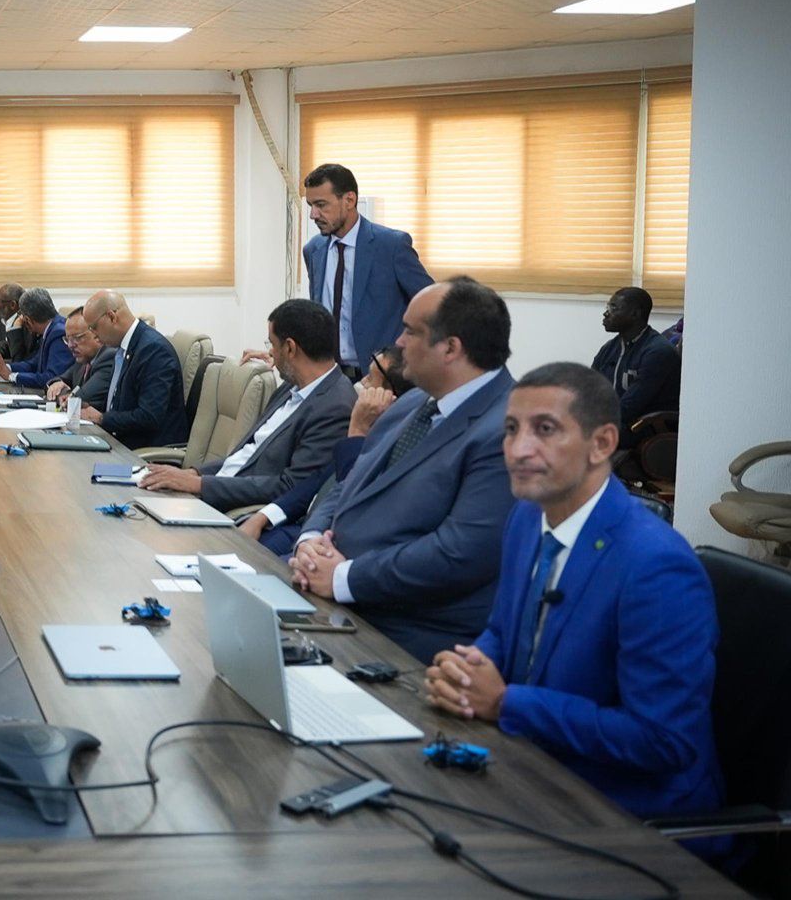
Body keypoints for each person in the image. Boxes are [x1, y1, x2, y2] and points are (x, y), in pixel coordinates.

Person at [425, 363, 723, 848]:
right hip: (534, 768)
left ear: (601, 444)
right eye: (511, 429)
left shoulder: (657, 566)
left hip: (630, 820)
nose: (518, 450)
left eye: (545, 430)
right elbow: (503, 630)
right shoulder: (528, 516)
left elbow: (662, 740)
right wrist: (470, 667)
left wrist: (504, 702)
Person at [291, 277, 517, 663]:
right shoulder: (413, 403)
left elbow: (459, 553)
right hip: (334, 593)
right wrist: (310, 541)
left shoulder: (507, 431)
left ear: (451, 348)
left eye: (411, 331)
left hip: (409, 630)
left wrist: (344, 578)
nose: (398, 341)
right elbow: (350, 483)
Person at [138, 300, 357, 516]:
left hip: (234, 510)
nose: (271, 354)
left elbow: (291, 487)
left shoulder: (334, 406)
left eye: (272, 345)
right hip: (211, 491)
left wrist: (199, 484)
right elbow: (248, 455)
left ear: (290, 348)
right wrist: (193, 474)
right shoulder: (293, 386)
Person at [240, 346, 411, 556]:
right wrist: (262, 518)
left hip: (326, 546)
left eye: (370, 379)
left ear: (391, 396)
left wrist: (357, 430)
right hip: (296, 528)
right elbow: (316, 481)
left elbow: (348, 494)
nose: (362, 382)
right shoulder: (366, 430)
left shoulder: (393, 445)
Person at [301, 162, 433, 378]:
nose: (313, 214)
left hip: (385, 377)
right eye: (310, 205)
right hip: (332, 377)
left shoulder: (391, 246)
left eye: (321, 205)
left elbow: (432, 306)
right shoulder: (313, 250)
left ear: (349, 200)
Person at [78, 290, 186, 448]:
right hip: (121, 441)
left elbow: (149, 417)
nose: (93, 335)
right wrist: (87, 408)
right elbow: (120, 403)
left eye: (93, 327)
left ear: (112, 317)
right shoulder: (123, 347)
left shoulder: (153, 350)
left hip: (145, 450)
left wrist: (101, 418)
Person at [591, 286, 681, 426]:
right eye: (608, 307)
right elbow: (588, 387)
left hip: (645, 427)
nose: (606, 313)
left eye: (614, 308)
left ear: (635, 314)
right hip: (616, 421)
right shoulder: (610, 348)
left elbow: (630, 406)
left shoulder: (658, 352)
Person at [0, 287, 70, 389]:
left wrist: (11, 376)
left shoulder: (58, 333)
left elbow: (52, 378)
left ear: (28, 320)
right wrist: (5, 367)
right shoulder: (51, 328)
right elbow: (33, 364)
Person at [45, 306, 115, 407]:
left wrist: (66, 395)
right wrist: (57, 385)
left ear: (97, 334)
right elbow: (58, 380)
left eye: (77, 338)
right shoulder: (83, 360)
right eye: (67, 339)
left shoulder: (108, 357)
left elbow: (81, 398)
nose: (70, 345)